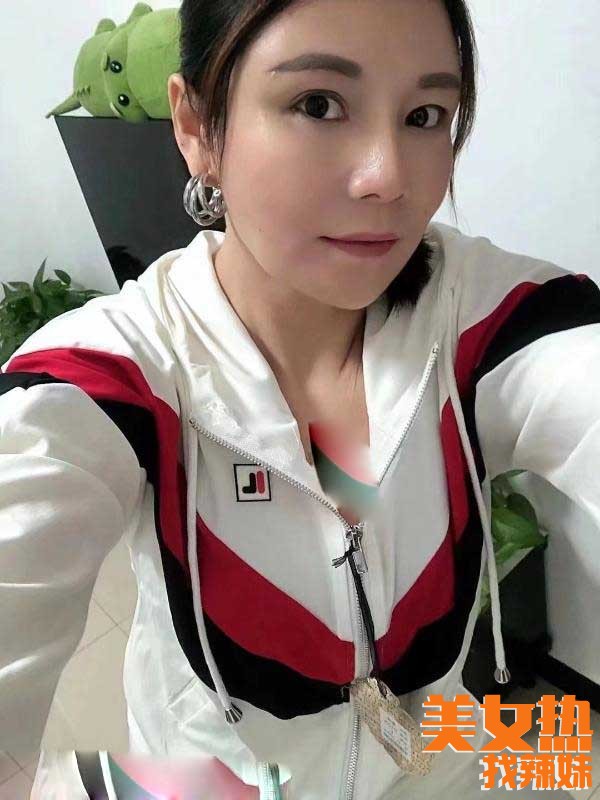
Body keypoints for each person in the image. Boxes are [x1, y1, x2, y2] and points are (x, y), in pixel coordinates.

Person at [1, 0, 599, 797]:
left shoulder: (487, 317)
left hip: (438, 767)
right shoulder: (115, 374)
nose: (389, 176)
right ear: (197, 126)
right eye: (317, 104)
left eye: (425, 115)